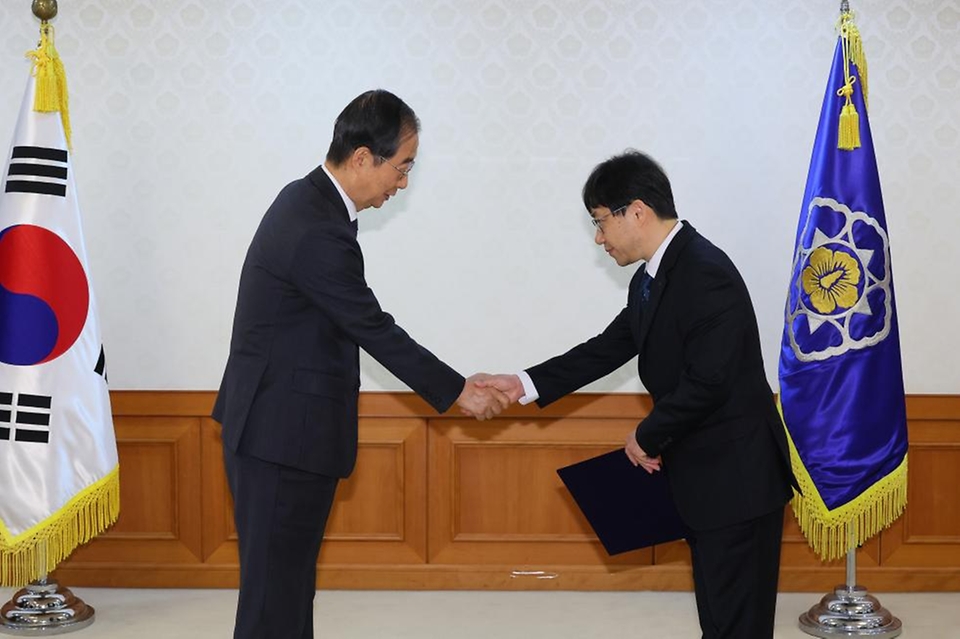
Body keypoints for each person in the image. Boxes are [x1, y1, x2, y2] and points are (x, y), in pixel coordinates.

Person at [212, 89, 506, 639]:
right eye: (401, 167)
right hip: (280, 440)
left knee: (286, 589)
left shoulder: (308, 203)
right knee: (274, 600)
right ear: (363, 157)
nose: (403, 183)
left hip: (276, 432)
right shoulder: (317, 227)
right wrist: (457, 391)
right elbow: (371, 326)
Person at [482, 150, 798, 638]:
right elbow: (608, 348)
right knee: (718, 619)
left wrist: (647, 435)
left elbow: (709, 380)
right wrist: (524, 383)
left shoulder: (703, 271)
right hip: (704, 478)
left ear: (637, 211)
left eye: (601, 222)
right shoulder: (652, 278)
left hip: (738, 480)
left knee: (739, 623)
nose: (599, 238)